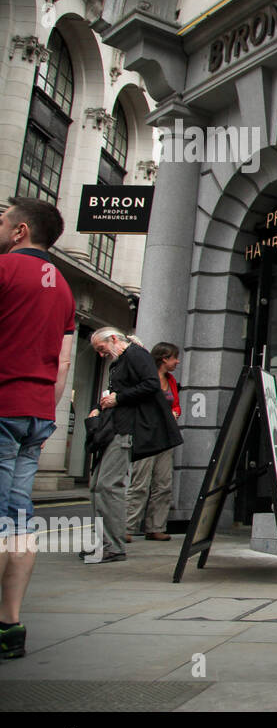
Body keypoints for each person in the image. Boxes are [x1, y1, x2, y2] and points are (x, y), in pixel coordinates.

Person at [0, 197, 74, 658]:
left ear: (20, 231)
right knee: (17, 519)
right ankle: (10, 626)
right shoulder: (64, 288)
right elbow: (64, 363)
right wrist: (46, 410)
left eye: (3, 220)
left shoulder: (4, 271)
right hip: (36, 413)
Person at [86, 328, 182, 563]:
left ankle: (113, 546)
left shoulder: (136, 355)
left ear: (114, 339)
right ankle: (104, 544)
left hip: (124, 430)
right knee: (97, 486)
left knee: (109, 486)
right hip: (115, 427)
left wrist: (118, 398)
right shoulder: (119, 362)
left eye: (102, 349)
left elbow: (150, 384)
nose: (101, 355)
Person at [125, 342, 181, 542]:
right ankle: (127, 527)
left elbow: (175, 403)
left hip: (165, 436)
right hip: (146, 435)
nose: (177, 361)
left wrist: (175, 412)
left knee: (163, 484)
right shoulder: (147, 378)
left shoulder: (171, 380)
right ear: (164, 358)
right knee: (139, 483)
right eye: (174, 357)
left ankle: (156, 527)